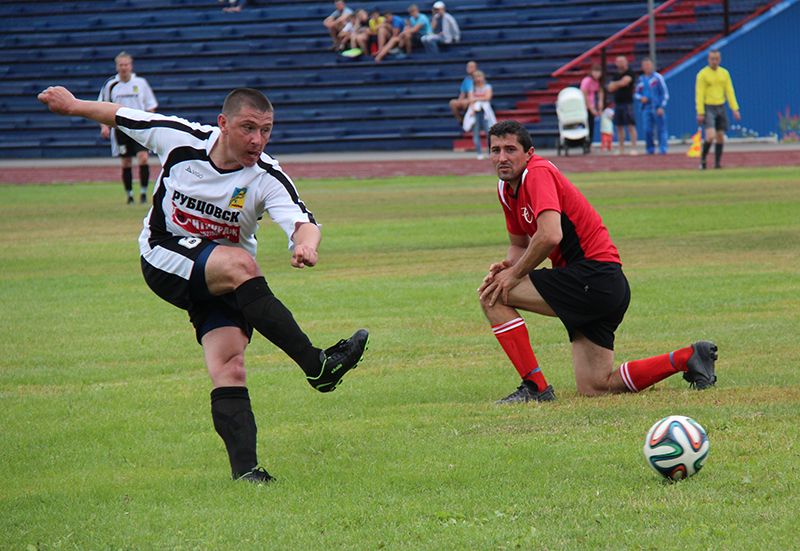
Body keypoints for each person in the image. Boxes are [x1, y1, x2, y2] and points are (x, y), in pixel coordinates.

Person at [38, 85, 370, 483]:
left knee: (230, 365)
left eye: (266, 130)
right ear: (223, 124)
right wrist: (74, 106)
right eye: (248, 128)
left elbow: (303, 221)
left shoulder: (266, 176)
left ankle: (246, 472)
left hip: (221, 277)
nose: (257, 140)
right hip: (164, 254)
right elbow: (121, 115)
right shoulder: (180, 139)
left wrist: (306, 245)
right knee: (242, 264)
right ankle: (317, 366)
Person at [478, 120, 717, 403]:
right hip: (601, 284)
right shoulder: (506, 189)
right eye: (495, 150)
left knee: (493, 296)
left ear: (529, 153)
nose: (502, 157)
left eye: (510, 149)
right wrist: (508, 266)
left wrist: (514, 276)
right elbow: (519, 244)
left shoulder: (537, 173)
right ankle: (688, 357)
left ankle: (535, 387)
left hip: (592, 277)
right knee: (596, 385)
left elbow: (550, 235)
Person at [98, 52, 158, 204]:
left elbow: (150, 105)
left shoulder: (141, 83)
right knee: (126, 162)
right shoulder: (110, 85)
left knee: (143, 158)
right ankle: (130, 195)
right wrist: (104, 126)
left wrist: (149, 123)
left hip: (139, 127)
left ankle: (143, 193)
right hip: (120, 129)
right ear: (117, 67)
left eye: (126, 64)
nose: (124, 67)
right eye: (121, 65)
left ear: (131, 66)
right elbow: (102, 107)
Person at [695, 49, 741, 169]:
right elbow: (699, 94)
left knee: (720, 136)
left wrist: (735, 108)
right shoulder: (703, 74)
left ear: (719, 59)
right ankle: (703, 159)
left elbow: (729, 91)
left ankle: (717, 163)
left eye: (716, 59)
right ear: (708, 59)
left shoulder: (724, 73)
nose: (714, 61)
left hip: (720, 106)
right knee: (710, 136)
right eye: (712, 59)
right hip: (708, 107)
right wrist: (700, 112)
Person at [635, 57, 669, 155]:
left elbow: (665, 94)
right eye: (645, 65)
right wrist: (641, 98)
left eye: (648, 65)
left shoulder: (658, 78)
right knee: (647, 130)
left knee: (661, 129)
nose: (647, 67)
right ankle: (650, 149)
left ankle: (663, 149)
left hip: (657, 107)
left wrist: (661, 107)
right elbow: (637, 93)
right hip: (646, 108)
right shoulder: (641, 79)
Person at [607, 55, 637, 155]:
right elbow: (610, 88)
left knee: (630, 126)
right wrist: (619, 83)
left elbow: (625, 82)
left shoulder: (630, 72)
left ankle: (633, 147)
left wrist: (616, 84)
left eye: (622, 61)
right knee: (619, 127)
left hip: (627, 103)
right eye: (618, 61)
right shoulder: (616, 75)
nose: (620, 63)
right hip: (618, 103)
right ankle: (621, 148)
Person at [462, 70, 495, 159]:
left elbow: (487, 97)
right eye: (476, 77)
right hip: (475, 111)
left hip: (485, 112)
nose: (478, 79)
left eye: (480, 77)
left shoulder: (487, 86)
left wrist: (476, 98)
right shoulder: (472, 87)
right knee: (476, 133)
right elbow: (470, 99)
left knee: (489, 132)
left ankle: (489, 152)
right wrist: (474, 104)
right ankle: (479, 153)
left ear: (483, 78)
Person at [579, 64, 603, 151]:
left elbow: (600, 92)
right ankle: (585, 143)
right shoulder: (587, 81)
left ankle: (589, 144)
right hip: (585, 107)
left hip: (593, 105)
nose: (597, 74)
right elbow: (584, 95)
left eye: (598, 72)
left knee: (591, 126)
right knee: (587, 125)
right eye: (595, 72)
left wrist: (600, 104)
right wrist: (591, 108)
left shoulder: (597, 82)